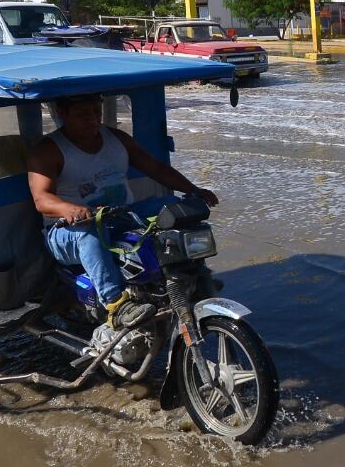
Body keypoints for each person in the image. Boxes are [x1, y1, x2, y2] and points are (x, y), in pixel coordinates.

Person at [28, 93, 218, 331]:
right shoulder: (48, 150)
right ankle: (116, 304)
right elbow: (42, 199)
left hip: (121, 215)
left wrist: (194, 189)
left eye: (96, 112)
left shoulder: (116, 138)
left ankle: (195, 274)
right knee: (90, 232)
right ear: (61, 114)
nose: (92, 119)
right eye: (82, 115)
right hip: (67, 232)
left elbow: (156, 167)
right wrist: (70, 209)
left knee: (170, 204)